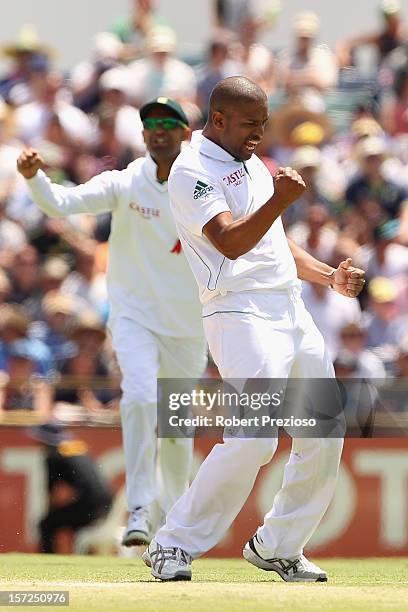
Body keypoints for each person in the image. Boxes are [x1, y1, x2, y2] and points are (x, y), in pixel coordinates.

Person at [142, 76, 365, 582]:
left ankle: (278, 546)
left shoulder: (253, 166)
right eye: (248, 124)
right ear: (217, 119)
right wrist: (280, 199)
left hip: (290, 309)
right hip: (238, 312)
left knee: (324, 432)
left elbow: (273, 245)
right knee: (254, 437)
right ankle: (172, 544)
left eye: (263, 125)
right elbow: (230, 243)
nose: (258, 135)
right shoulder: (191, 171)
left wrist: (329, 276)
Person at [17, 97, 207, 547]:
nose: (159, 130)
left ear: (186, 133)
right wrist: (34, 177)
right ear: (143, 137)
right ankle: (140, 506)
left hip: (188, 327)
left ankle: (173, 528)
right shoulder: (125, 183)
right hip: (134, 317)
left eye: (168, 123)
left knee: (177, 430)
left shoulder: (203, 187)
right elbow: (62, 204)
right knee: (140, 396)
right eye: (151, 125)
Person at [27, 421, 113, 553]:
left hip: (88, 504)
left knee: (46, 524)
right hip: (106, 503)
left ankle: (47, 559)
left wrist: (50, 514)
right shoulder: (79, 447)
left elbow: (51, 490)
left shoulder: (54, 455)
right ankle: (76, 555)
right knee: (74, 521)